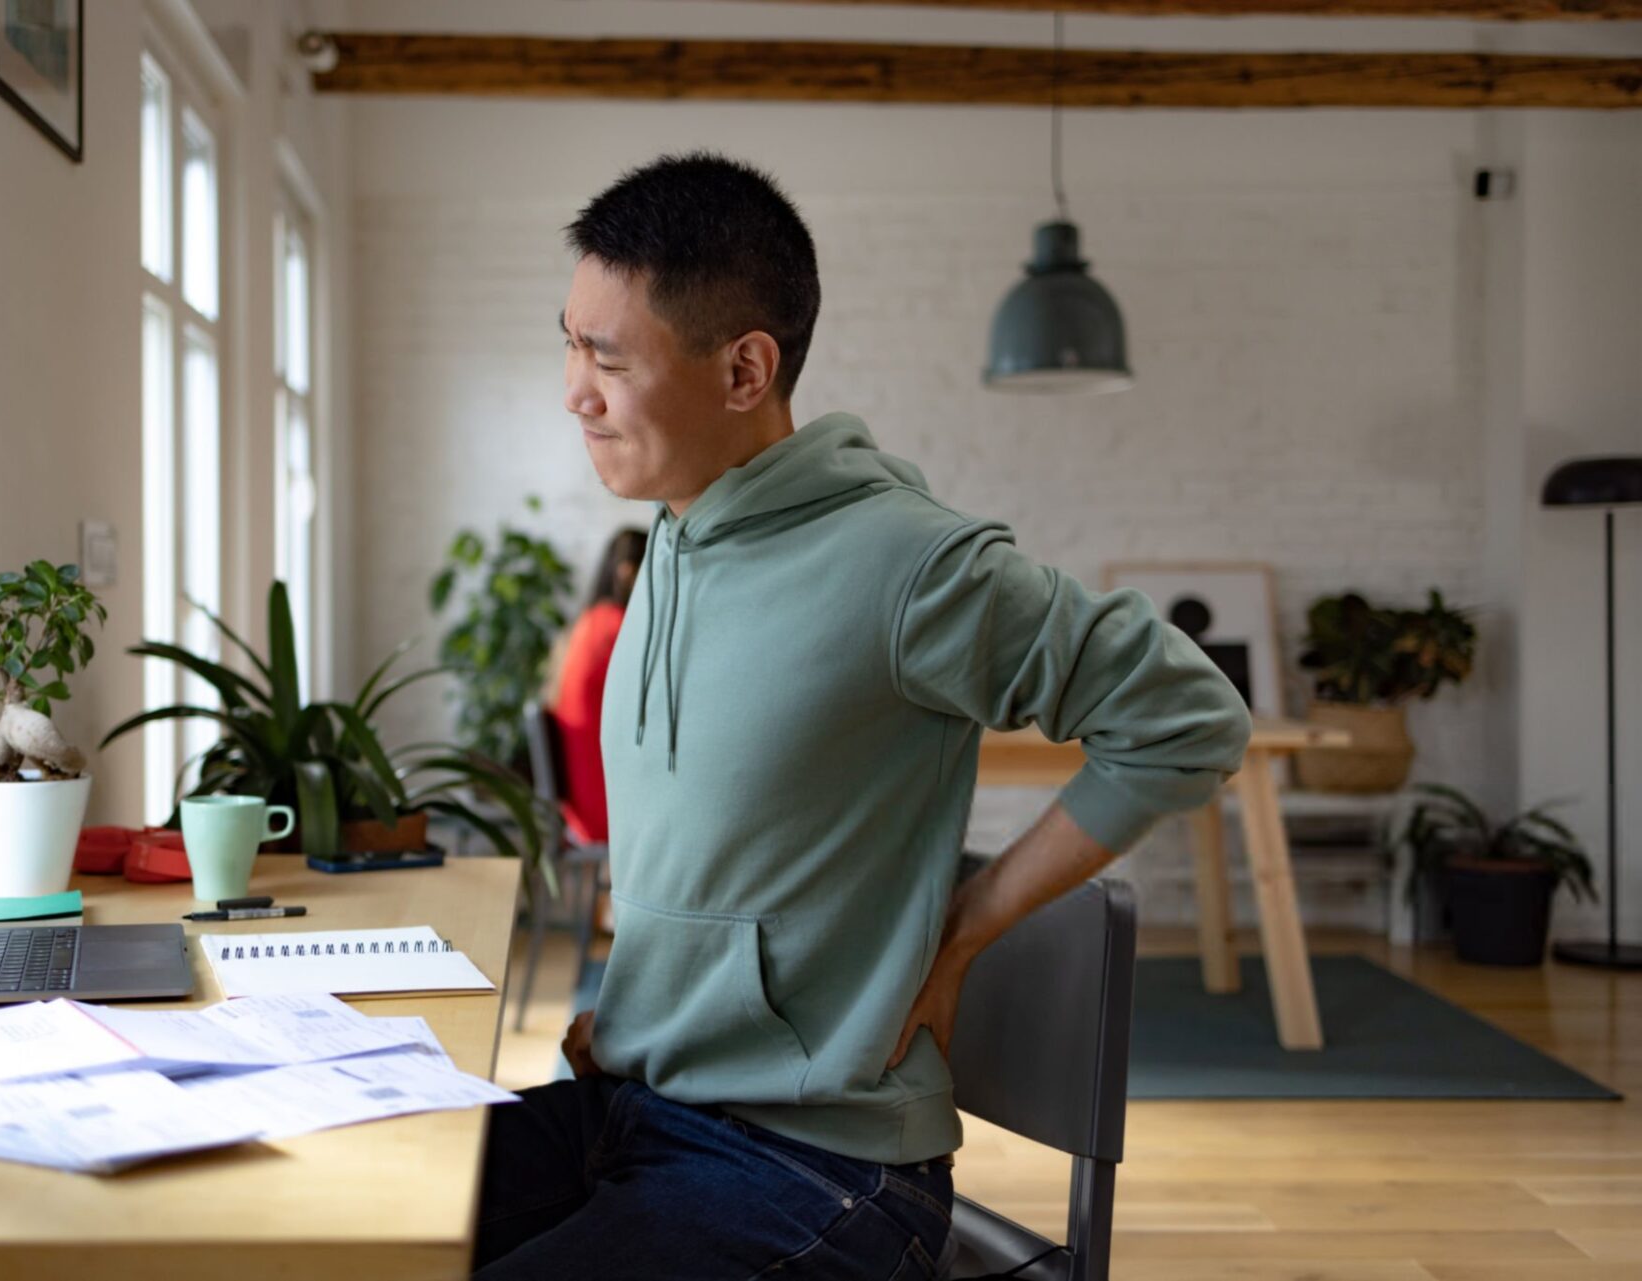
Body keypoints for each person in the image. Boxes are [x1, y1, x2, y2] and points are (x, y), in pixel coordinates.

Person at [472, 152, 1252, 1281]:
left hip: (815, 1169)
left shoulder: (909, 564)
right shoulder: (680, 536)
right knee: (336, 1222)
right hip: (642, 1104)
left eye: (606, 356)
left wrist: (970, 923)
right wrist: (647, 1013)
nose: (571, 389)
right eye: (568, 340)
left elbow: (1186, 714)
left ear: (745, 369)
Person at [547, 527, 648, 847]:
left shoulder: (589, 623)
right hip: (603, 808)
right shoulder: (618, 629)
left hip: (579, 801)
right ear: (629, 573)